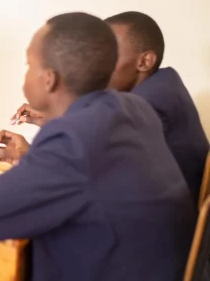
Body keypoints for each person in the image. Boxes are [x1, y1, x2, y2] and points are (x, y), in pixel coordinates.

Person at [0, 12, 196, 281]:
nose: (25, 74)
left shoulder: (73, 140)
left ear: (49, 79)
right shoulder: (130, 108)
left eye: (29, 65)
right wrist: (16, 183)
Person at [13, 11, 208, 202]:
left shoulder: (148, 103)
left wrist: (29, 154)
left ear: (145, 61)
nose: (98, 65)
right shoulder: (162, 86)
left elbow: (83, 173)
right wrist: (52, 121)